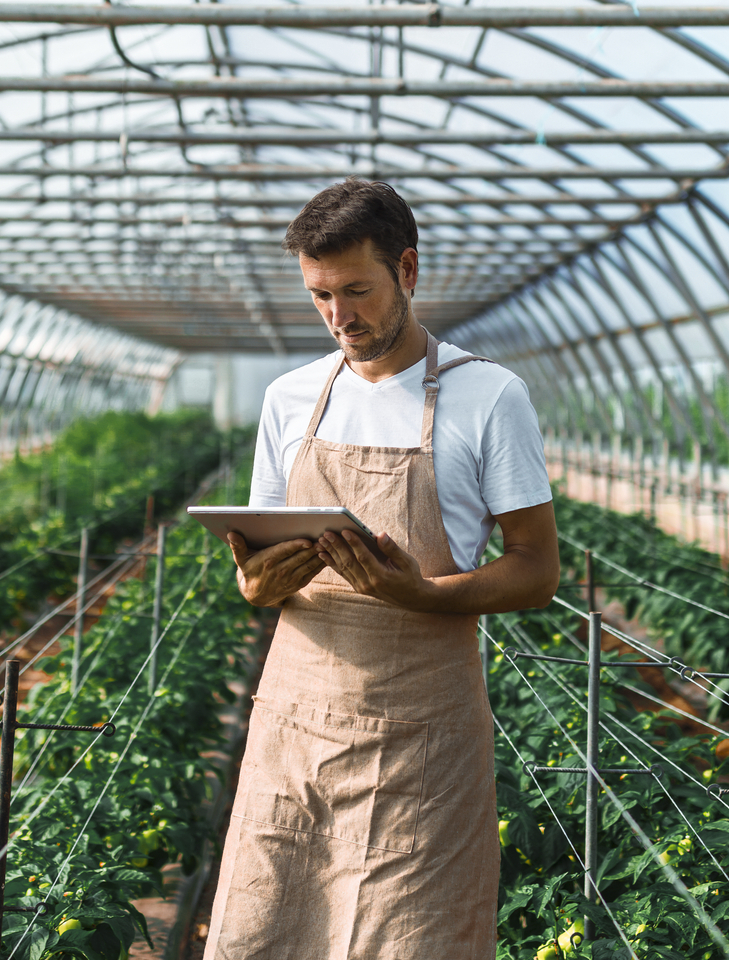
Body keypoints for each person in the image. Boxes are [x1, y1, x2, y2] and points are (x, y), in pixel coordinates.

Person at [205, 178, 560, 959]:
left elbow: (536, 569)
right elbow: (256, 574)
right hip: (293, 726)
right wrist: (259, 582)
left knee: (405, 937)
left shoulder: (487, 397)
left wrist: (419, 593)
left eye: (356, 290)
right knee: (266, 928)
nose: (339, 317)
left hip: (420, 736)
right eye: (320, 295)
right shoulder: (291, 398)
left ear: (406, 270)